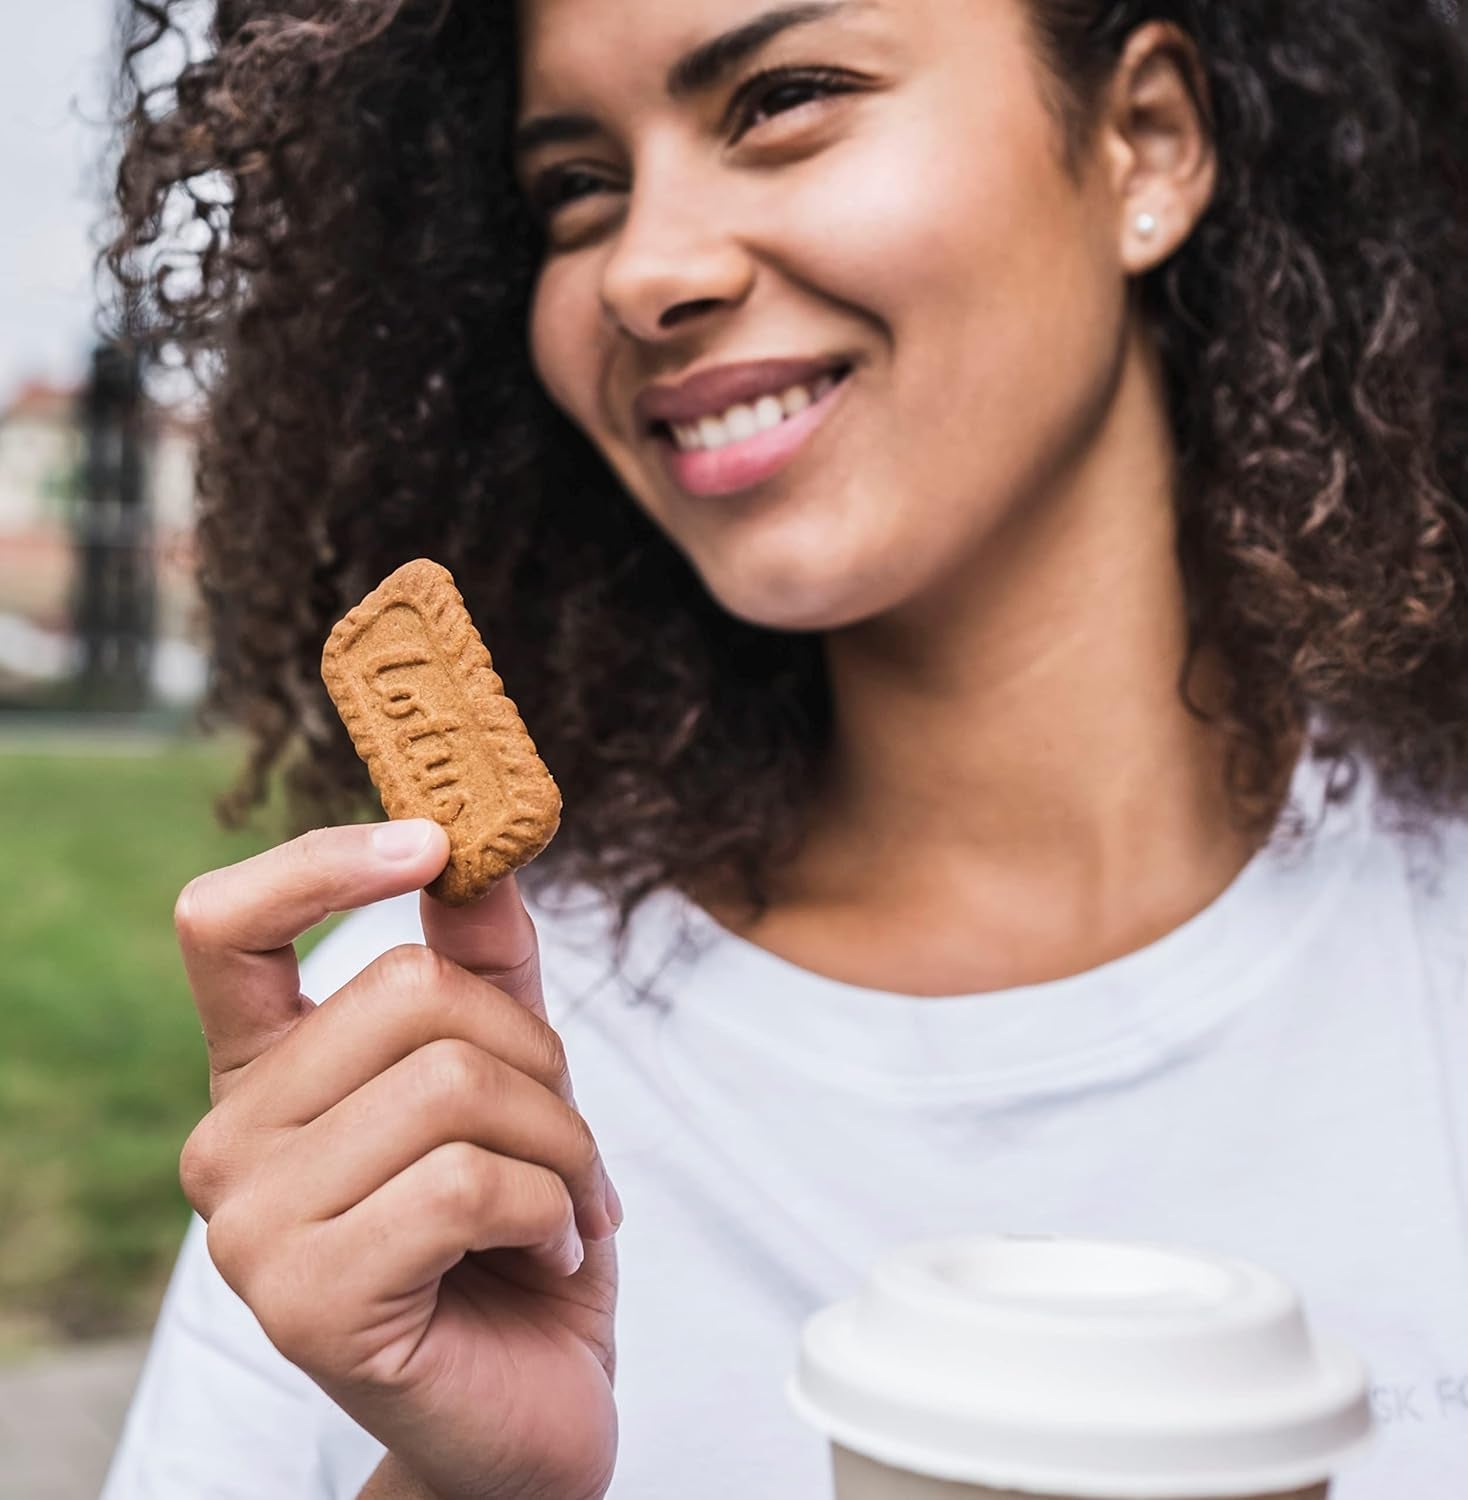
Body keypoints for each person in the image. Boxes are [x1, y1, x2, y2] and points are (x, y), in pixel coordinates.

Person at [99, 0, 1468, 1495]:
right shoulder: (420, 1059)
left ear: (1145, 139)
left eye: (784, 98)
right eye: (576, 187)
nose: (646, 270)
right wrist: (450, 1480)